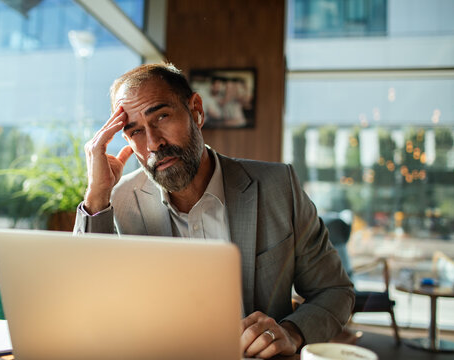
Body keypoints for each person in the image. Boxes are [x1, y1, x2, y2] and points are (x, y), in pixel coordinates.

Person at [73, 63, 354, 358]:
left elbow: (335, 291)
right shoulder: (114, 202)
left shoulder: (278, 187)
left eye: (162, 117)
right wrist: (96, 195)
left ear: (196, 110)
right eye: (136, 132)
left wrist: (292, 333)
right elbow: (84, 305)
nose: (154, 143)